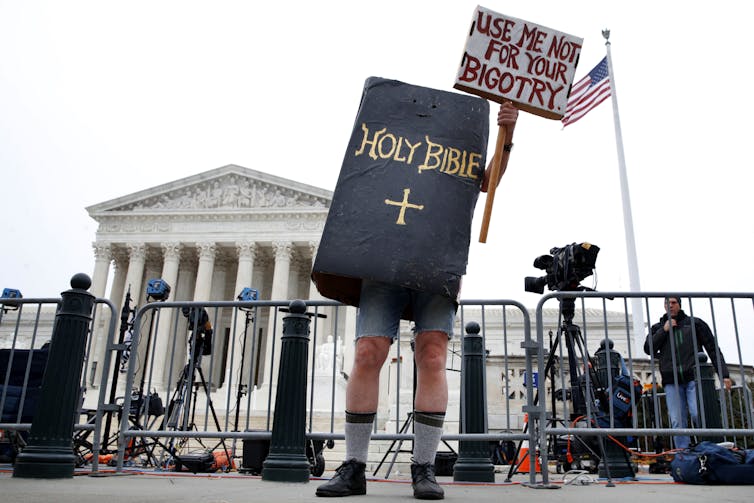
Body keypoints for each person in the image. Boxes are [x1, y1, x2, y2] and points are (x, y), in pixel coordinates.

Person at [316, 102, 518, 500]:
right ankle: (355, 465)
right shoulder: (389, 141)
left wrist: (506, 135)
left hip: (436, 259)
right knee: (367, 352)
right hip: (384, 259)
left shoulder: (456, 147)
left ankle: (423, 466)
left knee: (432, 355)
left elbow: (487, 180)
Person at [643, 296, 732, 449]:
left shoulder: (695, 323)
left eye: (673, 303)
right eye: (667, 303)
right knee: (677, 420)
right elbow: (648, 349)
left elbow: (712, 348)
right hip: (671, 380)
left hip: (693, 378)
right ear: (664, 305)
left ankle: (706, 448)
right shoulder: (658, 327)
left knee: (698, 413)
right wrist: (664, 331)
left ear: (679, 305)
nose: (670, 306)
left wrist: (723, 374)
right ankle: (683, 454)